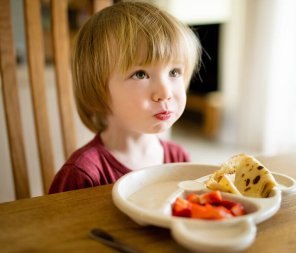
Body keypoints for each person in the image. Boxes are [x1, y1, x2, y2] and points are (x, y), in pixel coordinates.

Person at [48, 0, 201, 193]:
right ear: (97, 89)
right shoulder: (82, 174)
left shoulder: (179, 158)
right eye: (140, 74)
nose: (165, 93)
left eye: (174, 72)